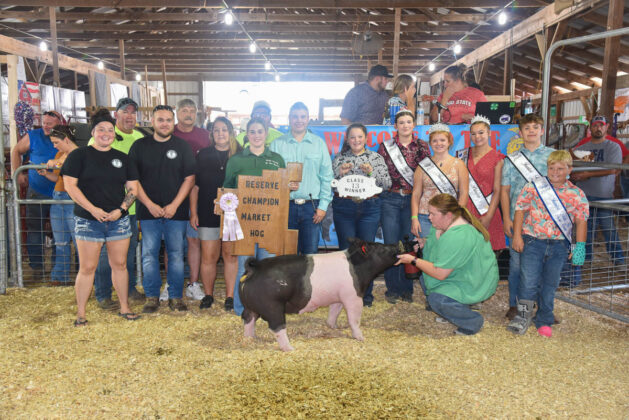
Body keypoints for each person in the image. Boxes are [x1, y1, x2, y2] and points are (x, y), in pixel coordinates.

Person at [60, 109, 140, 326]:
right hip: (88, 220)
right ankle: (81, 314)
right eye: (101, 129)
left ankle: (124, 307)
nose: (106, 134)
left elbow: (133, 189)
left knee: (120, 264)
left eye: (110, 130)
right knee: (87, 267)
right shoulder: (79, 156)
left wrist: (121, 210)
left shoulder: (123, 159)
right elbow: (70, 186)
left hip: (118, 221)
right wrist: (92, 209)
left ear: (114, 133)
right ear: (93, 132)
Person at [508, 151, 588, 337]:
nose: (555, 172)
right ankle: (523, 317)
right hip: (532, 241)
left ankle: (544, 319)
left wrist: (580, 247)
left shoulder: (577, 194)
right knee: (528, 282)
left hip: (559, 245)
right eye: (552, 168)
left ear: (569, 170)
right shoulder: (534, 187)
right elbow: (520, 210)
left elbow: (581, 221)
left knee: (550, 284)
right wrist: (517, 236)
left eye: (560, 168)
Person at [396, 193, 498, 335]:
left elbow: (440, 273)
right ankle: (455, 308)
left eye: (433, 214)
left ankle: (472, 321)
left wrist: (413, 260)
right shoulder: (440, 225)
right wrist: (424, 242)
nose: (429, 217)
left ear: (448, 215)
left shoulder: (459, 235)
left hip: (473, 281)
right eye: (429, 213)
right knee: (425, 279)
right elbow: (437, 243)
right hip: (460, 274)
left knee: (437, 299)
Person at [129, 105, 196, 313]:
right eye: (160, 120)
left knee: (176, 254)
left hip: (176, 213)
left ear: (173, 122)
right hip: (148, 212)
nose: (164, 124)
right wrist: (149, 204)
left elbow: (190, 179)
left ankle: (176, 297)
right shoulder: (139, 146)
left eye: (168, 120)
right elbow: (133, 181)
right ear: (152, 122)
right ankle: (152, 296)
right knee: (149, 254)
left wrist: (174, 205)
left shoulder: (183, 147)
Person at [223, 118, 286, 316]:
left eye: (260, 131)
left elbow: (282, 190)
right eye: (252, 132)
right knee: (245, 268)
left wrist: (289, 186)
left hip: (270, 224)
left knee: (268, 269)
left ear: (266, 134)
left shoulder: (277, 159)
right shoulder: (236, 161)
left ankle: (267, 308)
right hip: (244, 224)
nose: (256, 135)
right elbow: (227, 190)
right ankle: (242, 309)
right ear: (246, 135)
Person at [90, 98, 146, 310]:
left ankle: (128, 289)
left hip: (130, 207)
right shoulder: (102, 136)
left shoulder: (140, 137)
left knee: (128, 254)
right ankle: (103, 294)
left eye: (133, 112)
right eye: (125, 111)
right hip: (105, 207)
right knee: (104, 255)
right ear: (117, 115)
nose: (129, 116)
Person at [500, 113, 554, 320]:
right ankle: (515, 305)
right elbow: (505, 191)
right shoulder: (511, 159)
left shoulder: (553, 156)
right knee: (517, 266)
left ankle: (543, 308)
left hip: (547, 220)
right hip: (519, 221)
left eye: (535, 127)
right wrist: (506, 218)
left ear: (542, 130)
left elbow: (563, 187)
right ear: (520, 133)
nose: (531, 131)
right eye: (527, 128)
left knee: (545, 266)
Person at [332, 123, 391, 306]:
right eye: (352, 137)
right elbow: (330, 184)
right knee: (346, 253)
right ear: (347, 139)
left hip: (369, 207)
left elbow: (386, 184)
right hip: (344, 207)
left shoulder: (376, 158)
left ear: (366, 138)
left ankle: (365, 296)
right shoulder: (339, 158)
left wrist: (371, 172)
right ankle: (346, 295)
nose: (356, 140)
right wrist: (340, 174)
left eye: (359, 137)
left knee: (366, 252)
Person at [377, 110, 430, 304]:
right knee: (391, 244)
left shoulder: (422, 146)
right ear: (395, 126)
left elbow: (427, 174)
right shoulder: (385, 147)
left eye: (409, 122)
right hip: (390, 198)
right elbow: (380, 174)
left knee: (408, 244)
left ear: (413, 125)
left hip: (412, 200)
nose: (405, 125)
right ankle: (393, 288)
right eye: (401, 122)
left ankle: (407, 288)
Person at [190, 116, 240, 311]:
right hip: (207, 212)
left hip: (233, 214)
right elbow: (195, 186)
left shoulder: (240, 155)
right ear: (211, 134)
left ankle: (230, 296)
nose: (220, 133)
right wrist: (193, 212)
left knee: (230, 255)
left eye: (224, 130)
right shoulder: (203, 155)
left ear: (231, 133)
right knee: (208, 256)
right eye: (217, 130)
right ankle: (208, 295)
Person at [270, 102, 333, 255]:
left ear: (308, 119)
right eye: (295, 116)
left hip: (312, 207)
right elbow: (271, 177)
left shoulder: (319, 144)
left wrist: (323, 206)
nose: (299, 120)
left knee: (310, 256)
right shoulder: (277, 145)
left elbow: (326, 176)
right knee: (287, 255)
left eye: (302, 117)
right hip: (285, 206)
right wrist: (284, 185)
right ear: (289, 118)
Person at [11, 110, 63, 272]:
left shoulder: (65, 137)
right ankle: (36, 267)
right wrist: (17, 173)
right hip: (37, 190)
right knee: (35, 229)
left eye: (50, 124)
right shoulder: (33, 136)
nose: (46, 126)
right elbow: (16, 150)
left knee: (60, 231)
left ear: (59, 124)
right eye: (44, 123)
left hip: (60, 191)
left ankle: (57, 269)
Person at [173, 98, 212, 302]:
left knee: (194, 240)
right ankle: (172, 284)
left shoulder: (205, 135)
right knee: (173, 243)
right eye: (184, 110)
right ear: (177, 113)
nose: (188, 114)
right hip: (172, 195)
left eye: (192, 111)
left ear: (197, 114)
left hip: (198, 194)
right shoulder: (168, 132)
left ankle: (193, 283)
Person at [572, 115, 625, 265]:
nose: (598, 128)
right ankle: (586, 260)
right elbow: (574, 167)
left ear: (607, 127)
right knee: (585, 229)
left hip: (604, 194)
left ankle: (618, 260)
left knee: (608, 228)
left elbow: (613, 169)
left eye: (601, 125)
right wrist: (576, 175)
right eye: (595, 125)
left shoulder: (613, 146)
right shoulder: (581, 148)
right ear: (591, 128)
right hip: (584, 194)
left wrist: (587, 174)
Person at [411, 123, 469, 239]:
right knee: (427, 248)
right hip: (426, 216)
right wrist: (414, 218)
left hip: (449, 216)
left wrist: (456, 216)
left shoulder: (459, 164)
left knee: (448, 248)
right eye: (435, 141)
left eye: (442, 140)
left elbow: (464, 193)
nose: (439, 144)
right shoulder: (422, 166)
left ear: (449, 142)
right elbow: (416, 194)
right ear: (430, 143)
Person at [37, 125, 78, 285]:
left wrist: (55, 164)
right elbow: (57, 178)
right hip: (58, 196)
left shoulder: (78, 154)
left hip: (72, 199)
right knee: (60, 241)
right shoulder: (60, 154)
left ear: (66, 139)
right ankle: (60, 277)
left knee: (79, 241)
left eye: (56, 142)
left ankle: (89, 277)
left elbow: (66, 167)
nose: (54, 146)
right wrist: (46, 173)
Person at [462, 115, 505, 251]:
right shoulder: (463, 155)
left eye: (481, 133)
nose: (477, 137)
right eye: (473, 134)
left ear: (489, 133)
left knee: (488, 254)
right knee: (465, 252)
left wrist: (489, 216)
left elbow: (497, 190)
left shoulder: (498, 158)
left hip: (487, 210)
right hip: (466, 210)